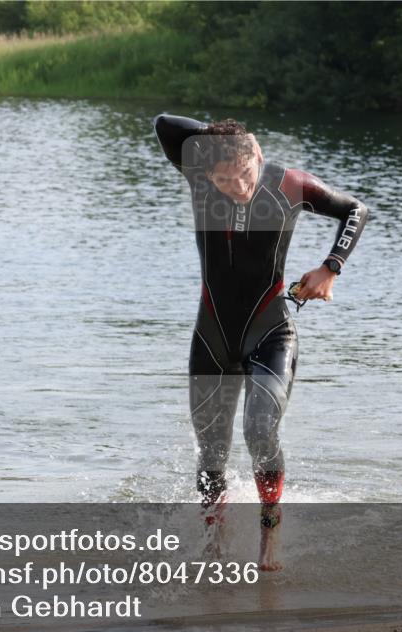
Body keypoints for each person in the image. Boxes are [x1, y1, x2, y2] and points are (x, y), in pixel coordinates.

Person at [153, 113, 369, 571]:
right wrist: (216, 142)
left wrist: (331, 267)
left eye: (245, 172)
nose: (239, 186)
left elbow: (356, 209)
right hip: (212, 336)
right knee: (211, 451)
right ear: (206, 174)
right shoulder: (199, 179)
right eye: (225, 179)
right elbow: (164, 124)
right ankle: (215, 545)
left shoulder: (289, 185)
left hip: (270, 331)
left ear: (257, 155)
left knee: (258, 428)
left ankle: (269, 534)